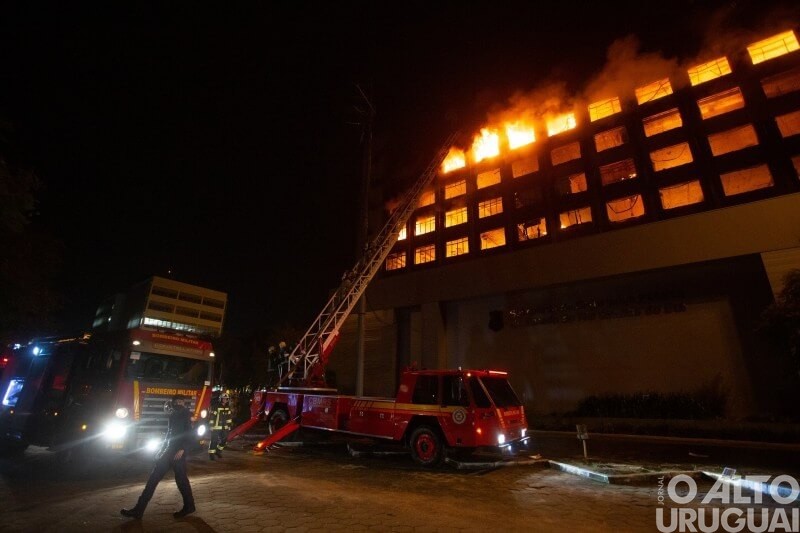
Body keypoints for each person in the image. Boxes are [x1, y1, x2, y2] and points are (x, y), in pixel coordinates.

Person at [120, 394, 196, 519]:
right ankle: (139, 509)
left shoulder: (187, 415)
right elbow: (169, 434)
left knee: (181, 480)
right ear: (173, 403)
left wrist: (183, 448)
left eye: (181, 402)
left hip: (178, 453)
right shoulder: (172, 415)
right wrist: (162, 449)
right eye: (176, 402)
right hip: (168, 451)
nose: (178, 404)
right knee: (153, 479)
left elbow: (191, 435)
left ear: (184, 403)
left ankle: (189, 506)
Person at [208, 393, 233, 460]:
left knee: (225, 440)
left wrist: (229, 425)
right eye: (223, 399)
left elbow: (229, 417)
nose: (225, 400)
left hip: (224, 427)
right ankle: (211, 454)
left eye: (226, 399)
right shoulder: (216, 406)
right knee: (214, 440)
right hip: (216, 426)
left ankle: (218, 451)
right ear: (220, 399)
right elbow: (212, 416)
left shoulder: (228, 407)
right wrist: (211, 425)